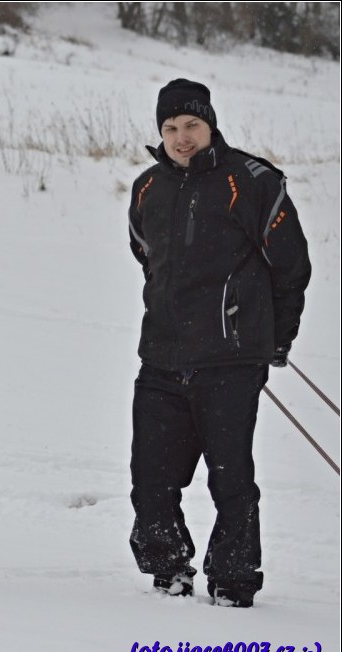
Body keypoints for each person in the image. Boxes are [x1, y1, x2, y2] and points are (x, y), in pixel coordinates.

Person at [126, 79, 311, 608]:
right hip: (161, 358)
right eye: (170, 128)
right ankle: (168, 571)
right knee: (150, 480)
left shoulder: (253, 181)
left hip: (231, 360)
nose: (181, 138)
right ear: (159, 132)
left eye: (191, 126)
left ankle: (233, 582)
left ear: (210, 124)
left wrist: (274, 338)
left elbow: (291, 268)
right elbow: (148, 260)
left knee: (231, 480)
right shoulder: (146, 188)